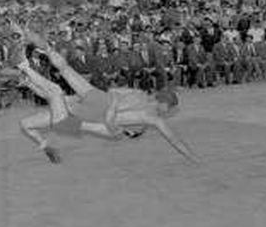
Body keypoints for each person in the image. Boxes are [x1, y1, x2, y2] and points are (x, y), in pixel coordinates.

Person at [14, 26, 200, 165]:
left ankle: (43, 52)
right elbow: (173, 138)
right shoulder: (150, 115)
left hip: (96, 102)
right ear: (165, 105)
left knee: (62, 75)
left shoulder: (142, 98)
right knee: (60, 81)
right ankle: (37, 58)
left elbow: (114, 95)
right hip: (97, 106)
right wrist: (192, 156)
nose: (166, 111)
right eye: (168, 108)